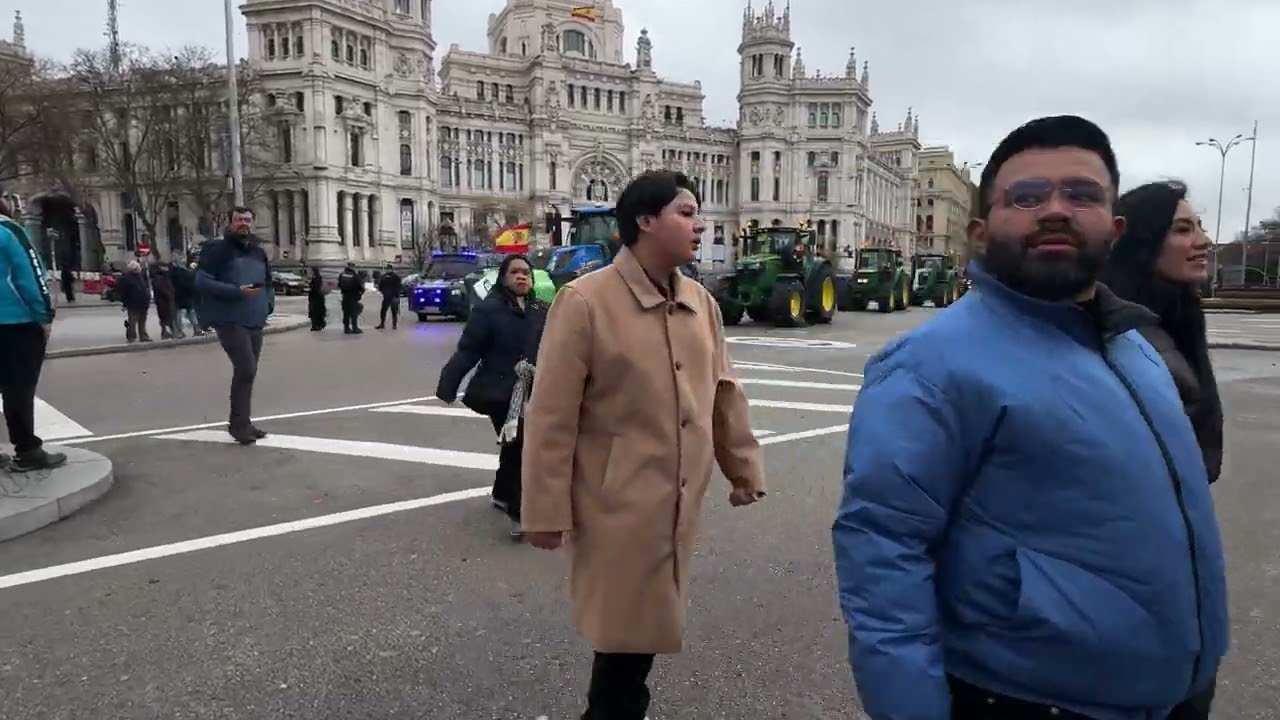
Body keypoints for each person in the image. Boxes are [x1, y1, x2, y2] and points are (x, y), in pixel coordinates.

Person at [832, 116, 1228, 720]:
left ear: (1115, 229)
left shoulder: (1135, 347)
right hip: (1031, 698)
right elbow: (884, 556)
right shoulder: (930, 364)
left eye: (1083, 194)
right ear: (980, 233)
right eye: (1026, 197)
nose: (1056, 210)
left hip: (1177, 693)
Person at [521, 170, 766, 720]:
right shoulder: (585, 301)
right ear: (646, 221)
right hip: (616, 503)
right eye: (686, 212)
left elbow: (723, 391)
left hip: (679, 500)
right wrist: (543, 511)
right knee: (625, 645)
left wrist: (744, 468)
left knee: (634, 644)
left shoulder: (700, 302)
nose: (700, 225)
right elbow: (552, 417)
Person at [1102, 181, 1224, 720]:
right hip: (1137, 594)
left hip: (1174, 580)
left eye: (1199, 226)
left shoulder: (1170, 317)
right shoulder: (1122, 338)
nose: (1203, 240)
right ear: (1140, 242)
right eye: (1182, 229)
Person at [436, 253, 548, 540]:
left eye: (526, 272)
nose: (521, 276)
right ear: (503, 277)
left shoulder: (540, 309)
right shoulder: (488, 310)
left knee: (514, 447)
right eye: (515, 272)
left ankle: (501, 494)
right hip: (498, 392)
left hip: (532, 392)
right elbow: (468, 350)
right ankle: (519, 513)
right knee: (520, 446)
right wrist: (449, 384)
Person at [195, 206, 275, 445]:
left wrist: (268, 305)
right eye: (239, 219)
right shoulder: (216, 249)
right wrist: (236, 291)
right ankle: (238, 425)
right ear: (229, 223)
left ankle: (244, 422)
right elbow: (202, 282)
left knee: (248, 373)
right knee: (246, 368)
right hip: (229, 319)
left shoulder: (258, 251)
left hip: (254, 319)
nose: (244, 223)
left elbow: (267, 282)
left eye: (248, 220)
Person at [0, 191, 65, 472]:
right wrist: (44, 316)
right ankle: (27, 451)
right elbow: (30, 275)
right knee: (18, 389)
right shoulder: (9, 231)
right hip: (15, 322)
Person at [117, 261, 152, 343]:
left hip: (142, 302)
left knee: (141, 320)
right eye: (137, 268)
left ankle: (142, 336)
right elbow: (123, 292)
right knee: (133, 321)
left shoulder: (140, 276)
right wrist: (125, 303)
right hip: (133, 303)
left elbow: (145, 288)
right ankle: (133, 336)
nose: (139, 269)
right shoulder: (127, 278)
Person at [150, 261, 178, 339]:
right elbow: (163, 289)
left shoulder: (160, 277)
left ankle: (167, 332)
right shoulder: (160, 278)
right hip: (164, 301)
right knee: (168, 317)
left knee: (165, 317)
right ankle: (172, 332)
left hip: (162, 301)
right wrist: (170, 295)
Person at [336, 262, 364, 334]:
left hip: (345, 296)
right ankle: (355, 328)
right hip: (353, 296)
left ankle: (346, 328)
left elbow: (339, 285)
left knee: (346, 313)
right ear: (353, 267)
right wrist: (361, 292)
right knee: (354, 313)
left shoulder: (342, 274)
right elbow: (360, 286)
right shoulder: (355, 275)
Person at [375, 263, 403, 330]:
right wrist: (383, 292)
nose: (388, 270)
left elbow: (398, 286)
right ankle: (382, 324)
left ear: (391, 269)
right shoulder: (384, 276)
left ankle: (394, 325)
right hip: (387, 296)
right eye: (387, 269)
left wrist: (397, 295)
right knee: (383, 311)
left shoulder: (395, 277)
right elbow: (380, 285)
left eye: (389, 269)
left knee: (394, 312)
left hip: (393, 296)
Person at [307, 266, 327, 332]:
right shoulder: (316, 277)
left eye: (311, 271)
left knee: (315, 312)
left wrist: (311, 286)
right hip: (316, 297)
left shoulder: (316, 278)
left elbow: (315, 287)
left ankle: (317, 325)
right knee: (315, 312)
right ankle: (316, 325)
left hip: (316, 297)